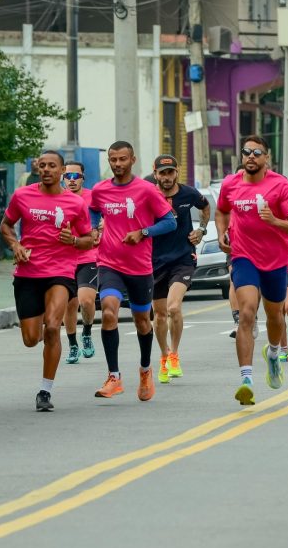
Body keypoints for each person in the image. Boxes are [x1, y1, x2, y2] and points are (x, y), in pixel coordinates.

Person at [0, 150, 95, 412]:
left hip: (60, 272)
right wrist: (15, 245)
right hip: (28, 272)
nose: (46, 169)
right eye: (42, 165)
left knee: (53, 328)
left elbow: (89, 238)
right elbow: (6, 225)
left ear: (62, 170)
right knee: (31, 339)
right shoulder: (22, 195)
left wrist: (74, 241)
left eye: (52, 165)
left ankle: (45, 390)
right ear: (37, 169)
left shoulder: (75, 204)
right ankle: (40, 326)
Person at [217, 135, 288, 405]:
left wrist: (275, 220)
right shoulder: (230, 183)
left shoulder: (279, 186)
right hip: (243, 256)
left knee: (274, 316)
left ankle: (272, 354)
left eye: (257, 152)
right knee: (246, 312)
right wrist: (223, 233)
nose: (251, 157)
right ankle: (246, 379)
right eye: (247, 152)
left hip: (276, 260)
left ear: (266, 157)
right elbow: (222, 211)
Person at [89, 141, 178, 401]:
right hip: (109, 263)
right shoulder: (100, 190)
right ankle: (114, 376)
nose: (117, 164)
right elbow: (93, 210)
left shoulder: (147, 190)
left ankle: (145, 370)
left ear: (133, 160)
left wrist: (143, 232)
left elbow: (169, 222)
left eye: (122, 159)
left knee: (142, 322)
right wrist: (95, 228)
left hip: (139, 267)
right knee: (108, 311)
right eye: (113, 160)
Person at [149, 154, 209, 383]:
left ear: (177, 172)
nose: (166, 177)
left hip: (183, 258)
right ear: (155, 174)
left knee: (174, 307)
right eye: (162, 173)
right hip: (154, 261)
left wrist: (201, 230)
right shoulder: (148, 195)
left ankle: (174, 354)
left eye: (170, 172)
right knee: (160, 314)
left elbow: (206, 208)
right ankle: (164, 356)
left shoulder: (189, 193)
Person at [61, 160, 98, 364]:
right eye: (68, 176)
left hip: (88, 256)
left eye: (76, 177)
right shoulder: (57, 198)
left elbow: (106, 218)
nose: (72, 180)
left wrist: (100, 228)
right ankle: (73, 345)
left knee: (85, 300)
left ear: (83, 178)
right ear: (63, 178)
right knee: (69, 305)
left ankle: (87, 332)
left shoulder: (92, 197)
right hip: (64, 259)